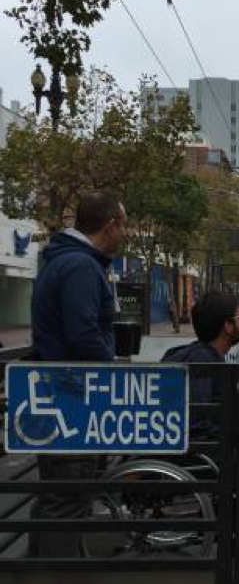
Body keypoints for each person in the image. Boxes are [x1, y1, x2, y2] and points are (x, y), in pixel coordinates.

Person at [29, 190, 127, 556]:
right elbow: (83, 334)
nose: (125, 234)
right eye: (124, 226)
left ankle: (34, 579)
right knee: (69, 496)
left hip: (58, 392)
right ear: (109, 225)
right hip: (73, 399)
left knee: (55, 496)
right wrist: (111, 371)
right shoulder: (81, 267)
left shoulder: (65, 261)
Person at [162, 291, 239, 482]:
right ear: (227, 326)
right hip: (201, 455)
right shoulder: (203, 362)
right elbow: (196, 422)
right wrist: (238, 430)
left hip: (197, 449)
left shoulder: (190, 354)